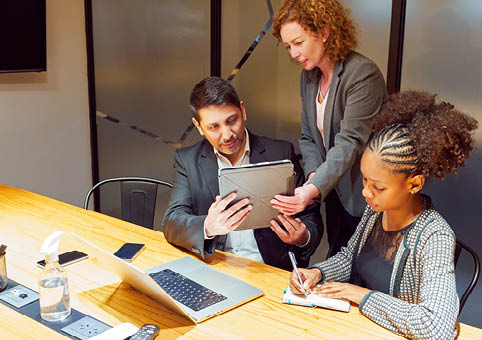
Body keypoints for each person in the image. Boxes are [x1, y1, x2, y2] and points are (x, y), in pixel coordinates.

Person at [289, 91, 478, 339]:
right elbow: (350, 258)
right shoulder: (376, 210)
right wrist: (317, 273)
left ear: (414, 184)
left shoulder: (435, 236)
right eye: (365, 180)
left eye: (378, 187)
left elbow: (436, 327)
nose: (366, 193)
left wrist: (362, 296)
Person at [161, 76, 322, 271]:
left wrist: (302, 237)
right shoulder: (187, 161)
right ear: (198, 126)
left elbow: (311, 217)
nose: (227, 134)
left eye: (232, 120)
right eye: (214, 127)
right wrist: (208, 226)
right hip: (214, 267)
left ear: (243, 111)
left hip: (270, 270)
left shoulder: (280, 152)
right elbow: (172, 222)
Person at [271, 0, 388, 257]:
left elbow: (350, 142)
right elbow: (308, 136)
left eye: (298, 43)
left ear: (324, 32)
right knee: (338, 258)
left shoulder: (362, 74)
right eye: (288, 46)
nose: (293, 53)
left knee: (361, 270)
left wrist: (310, 191)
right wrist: (314, 176)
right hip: (332, 187)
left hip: (365, 193)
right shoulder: (309, 76)